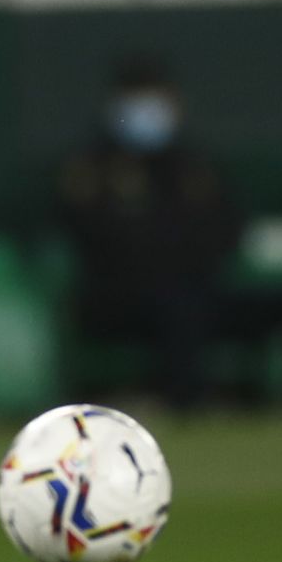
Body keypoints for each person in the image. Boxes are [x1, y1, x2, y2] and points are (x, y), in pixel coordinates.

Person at [56, 56, 242, 410]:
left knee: (188, 302)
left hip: (189, 288)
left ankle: (192, 400)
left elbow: (225, 227)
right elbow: (83, 230)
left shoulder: (194, 165)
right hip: (112, 293)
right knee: (172, 303)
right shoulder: (92, 167)